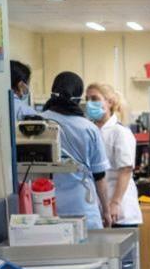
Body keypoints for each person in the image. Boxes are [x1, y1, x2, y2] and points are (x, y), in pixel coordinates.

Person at [40, 72, 111, 229]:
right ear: (78, 97)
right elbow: (99, 175)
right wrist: (106, 211)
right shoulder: (88, 128)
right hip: (83, 208)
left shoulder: (37, 123)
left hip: (45, 208)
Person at [86, 82, 142, 228]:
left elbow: (126, 170)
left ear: (109, 102)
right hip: (99, 208)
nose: (89, 103)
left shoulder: (120, 132)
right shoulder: (91, 130)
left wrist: (115, 203)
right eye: (87, 99)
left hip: (119, 209)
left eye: (94, 98)